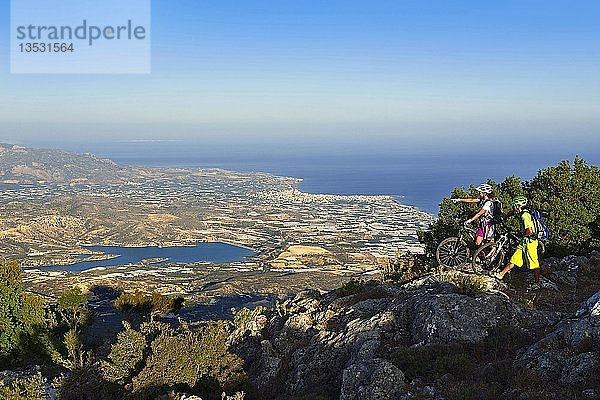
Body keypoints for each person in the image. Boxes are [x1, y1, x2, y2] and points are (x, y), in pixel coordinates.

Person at [493, 196, 541, 288]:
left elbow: (529, 230)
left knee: (533, 263)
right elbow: (512, 213)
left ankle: (537, 283)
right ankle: (501, 275)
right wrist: (505, 216)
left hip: (530, 242)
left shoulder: (525, 216)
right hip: (524, 242)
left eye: (514, 206)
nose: (513, 207)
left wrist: (521, 234)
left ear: (519, 206)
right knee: (514, 259)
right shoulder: (521, 213)